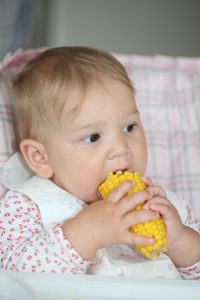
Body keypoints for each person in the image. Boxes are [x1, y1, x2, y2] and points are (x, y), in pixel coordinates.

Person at [0, 47, 199, 279]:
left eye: (129, 127)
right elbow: (11, 274)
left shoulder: (163, 204)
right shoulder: (28, 206)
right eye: (93, 137)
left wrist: (180, 240)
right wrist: (84, 235)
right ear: (40, 158)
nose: (121, 148)